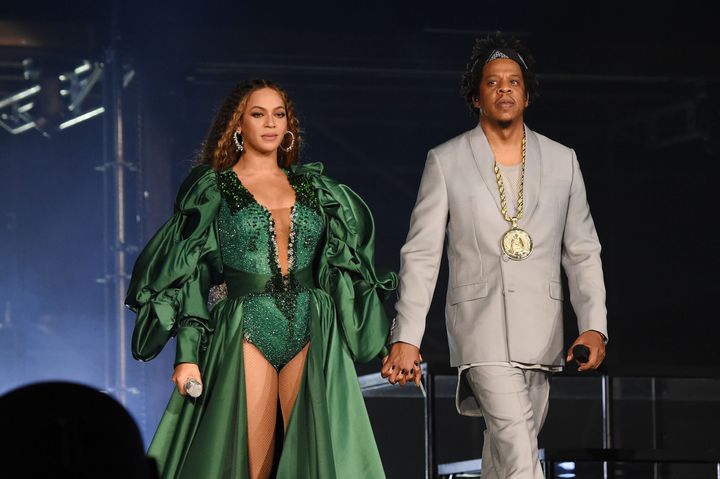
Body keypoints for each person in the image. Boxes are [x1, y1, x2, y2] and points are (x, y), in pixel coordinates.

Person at [125, 79, 397, 479]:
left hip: (312, 324)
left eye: (279, 114)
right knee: (252, 465)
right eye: (258, 114)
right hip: (246, 326)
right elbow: (189, 274)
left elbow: (347, 267)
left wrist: (381, 337)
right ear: (238, 125)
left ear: (289, 125)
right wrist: (187, 355)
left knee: (313, 458)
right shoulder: (214, 189)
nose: (270, 123)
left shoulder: (316, 189)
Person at [381, 33, 608, 478]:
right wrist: (406, 335)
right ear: (475, 96)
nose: (505, 89)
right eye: (492, 82)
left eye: (514, 82)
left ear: (526, 93)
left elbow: (582, 251)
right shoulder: (446, 160)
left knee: (506, 451)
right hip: (479, 327)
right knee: (519, 450)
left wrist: (594, 326)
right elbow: (422, 253)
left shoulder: (563, 161)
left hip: (542, 331)